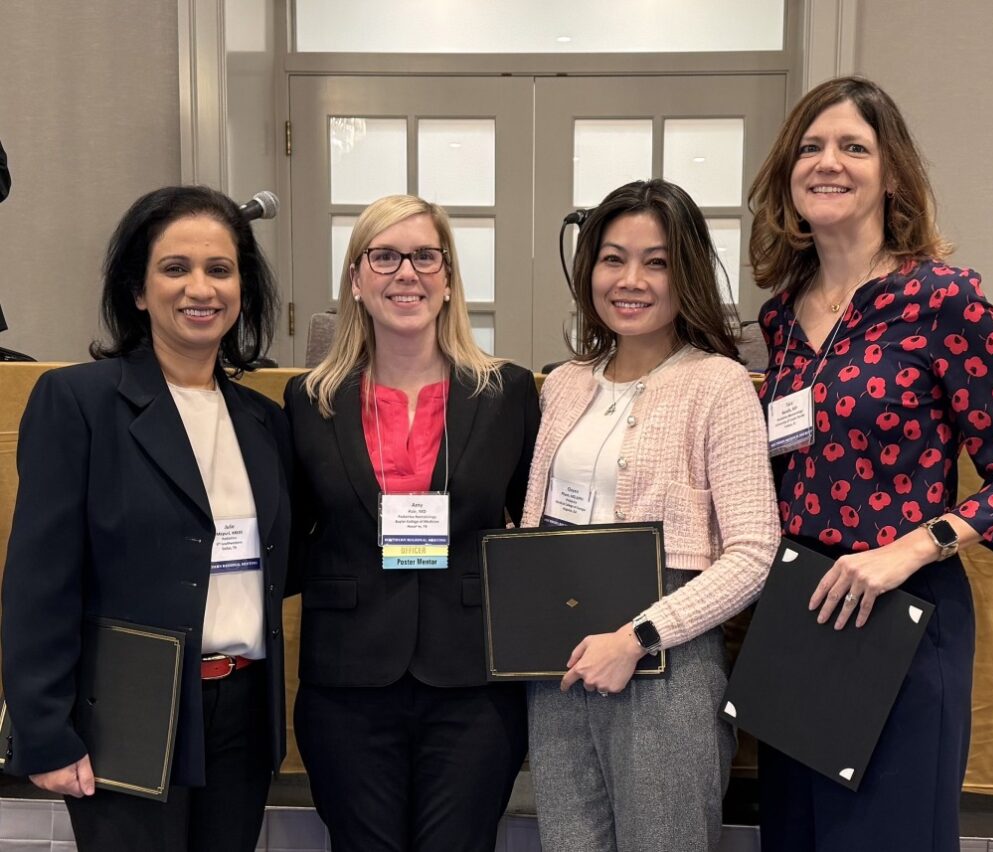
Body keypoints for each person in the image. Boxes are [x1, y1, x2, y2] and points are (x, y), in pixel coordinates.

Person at [749, 76, 993, 851]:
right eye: (810, 146)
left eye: (852, 146)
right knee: (797, 839)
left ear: (891, 174)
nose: (827, 162)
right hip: (801, 611)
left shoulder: (943, 299)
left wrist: (909, 549)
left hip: (905, 613)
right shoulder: (782, 313)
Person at [1, 185, 292, 852]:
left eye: (220, 269)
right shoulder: (79, 403)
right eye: (175, 268)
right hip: (127, 711)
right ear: (137, 290)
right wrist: (45, 731)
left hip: (242, 714)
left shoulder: (264, 423)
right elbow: (39, 583)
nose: (201, 288)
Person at [520, 178, 780, 852]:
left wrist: (636, 637)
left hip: (664, 665)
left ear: (685, 272)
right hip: (561, 668)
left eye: (656, 262)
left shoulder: (717, 384)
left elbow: (753, 553)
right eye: (613, 258)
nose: (630, 280)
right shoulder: (566, 383)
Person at [284, 194, 539, 852]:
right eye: (385, 256)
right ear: (356, 278)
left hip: (473, 684)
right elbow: (295, 532)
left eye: (426, 256)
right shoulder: (310, 400)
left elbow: (531, 525)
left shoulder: (507, 392)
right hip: (346, 685)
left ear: (449, 279)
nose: (407, 273)